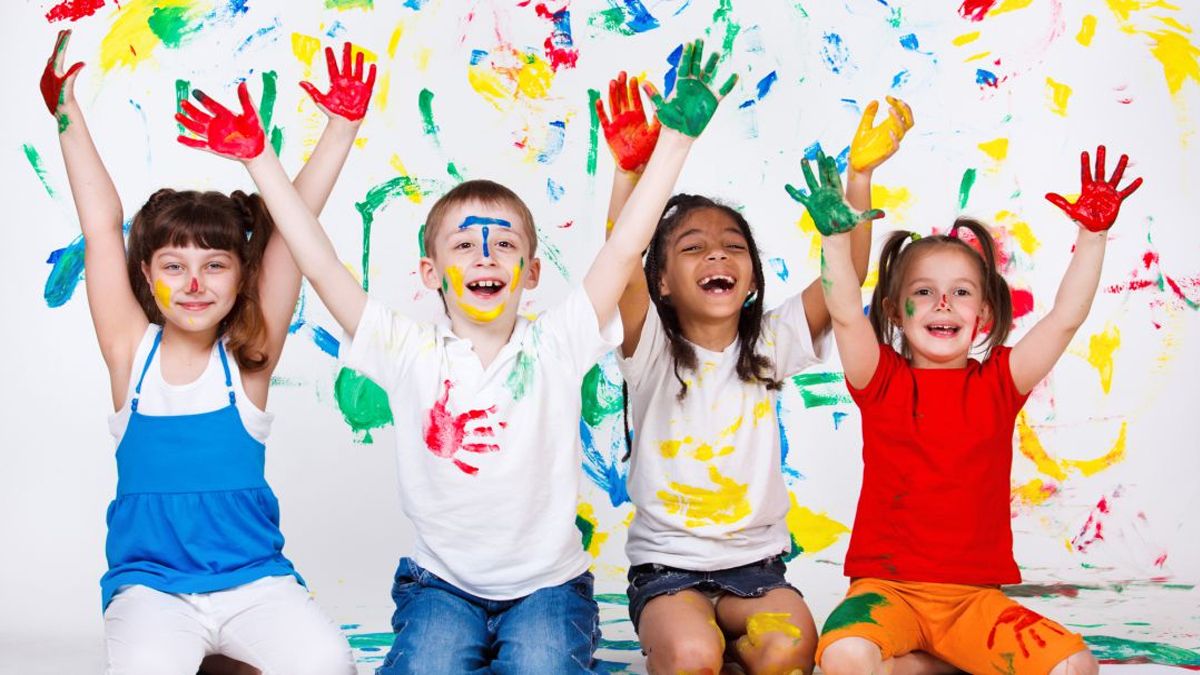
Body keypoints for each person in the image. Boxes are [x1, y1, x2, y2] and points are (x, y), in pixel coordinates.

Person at [180, 37, 738, 675]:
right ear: (430, 272)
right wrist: (260, 163)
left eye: (503, 245)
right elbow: (319, 262)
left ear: (530, 273)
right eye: (465, 246)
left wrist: (675, 145)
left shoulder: (558, 341)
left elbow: (623, 252)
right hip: (441, 588)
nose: (484, 257)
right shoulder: (407, 350)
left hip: (547, 591)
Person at [43, 30, 374, 674]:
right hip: (152, 589)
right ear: (146, 275)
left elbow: (295, 231)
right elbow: (100, 225)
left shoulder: (249, 360)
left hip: (254, 583)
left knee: (329, 663)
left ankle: (224, 656)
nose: (193, 284)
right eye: (174, 265)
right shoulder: (128, 352)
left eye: (215, 264)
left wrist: (339, 131)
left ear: (242, 277)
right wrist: (66, 112)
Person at [600, 54, 914, 672]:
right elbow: (619, 254)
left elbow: (842, 283)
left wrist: (857, 179)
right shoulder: (648, 347)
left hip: (759, 574)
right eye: (693, 248)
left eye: (733, 247)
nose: (717, 254)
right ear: (660, 280)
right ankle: (709, 649)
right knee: (693, 655)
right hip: (669, 575)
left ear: (749, 278)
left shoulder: (768, 344)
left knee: (791, 651)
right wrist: (630, 174)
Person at [815, 145, 1142, 674]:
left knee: (1076, 664)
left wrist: (1094, 237)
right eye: (925, 291)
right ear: (897, 310)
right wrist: (833, 240)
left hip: (973, 603)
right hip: (885, 593)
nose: (943, 304)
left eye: (960, 292)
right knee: (846, 656)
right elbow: (847, 313)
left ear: (984, 312)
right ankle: (935, 663)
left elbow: (1064, 318)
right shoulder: (879, 379)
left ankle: (933, 662)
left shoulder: (1000, 382)